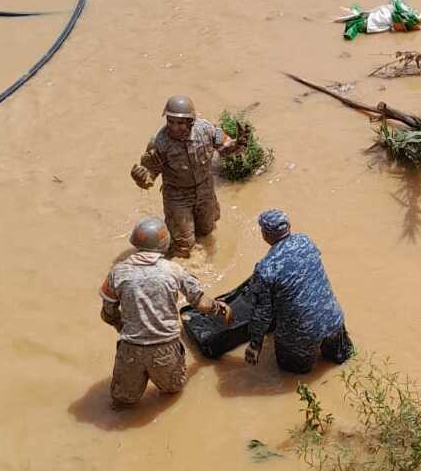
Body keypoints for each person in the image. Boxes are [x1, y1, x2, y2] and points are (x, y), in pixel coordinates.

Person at [99, 217, 232, 407]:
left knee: (123, 402)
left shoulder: (117, 273)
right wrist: (219, 308)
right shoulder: (174, 270)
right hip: (165, 348)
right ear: (163, 243)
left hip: (130, 349)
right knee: (172, 391)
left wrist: (122, 327)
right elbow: (201, 304)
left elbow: (107, 313)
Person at [129, 95, 248, 257]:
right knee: (184, 245)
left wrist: (238, 143)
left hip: (205, 189)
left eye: (180, 123)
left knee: (207, 231)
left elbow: (225, 147)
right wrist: (140, 177)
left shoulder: (208, 129)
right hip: (177, 196)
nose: (174, 127)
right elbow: (149, 177)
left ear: (190, 121)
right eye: (170, 121)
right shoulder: (159, 142)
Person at [244, 210, 353, 374]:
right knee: (346, 360)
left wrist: (255, 345)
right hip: (333, 319)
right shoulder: (305, 241)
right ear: (288, 227)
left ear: (265, 234)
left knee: (292, 375)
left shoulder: (265, 269)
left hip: (301, 336)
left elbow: (262, 314)